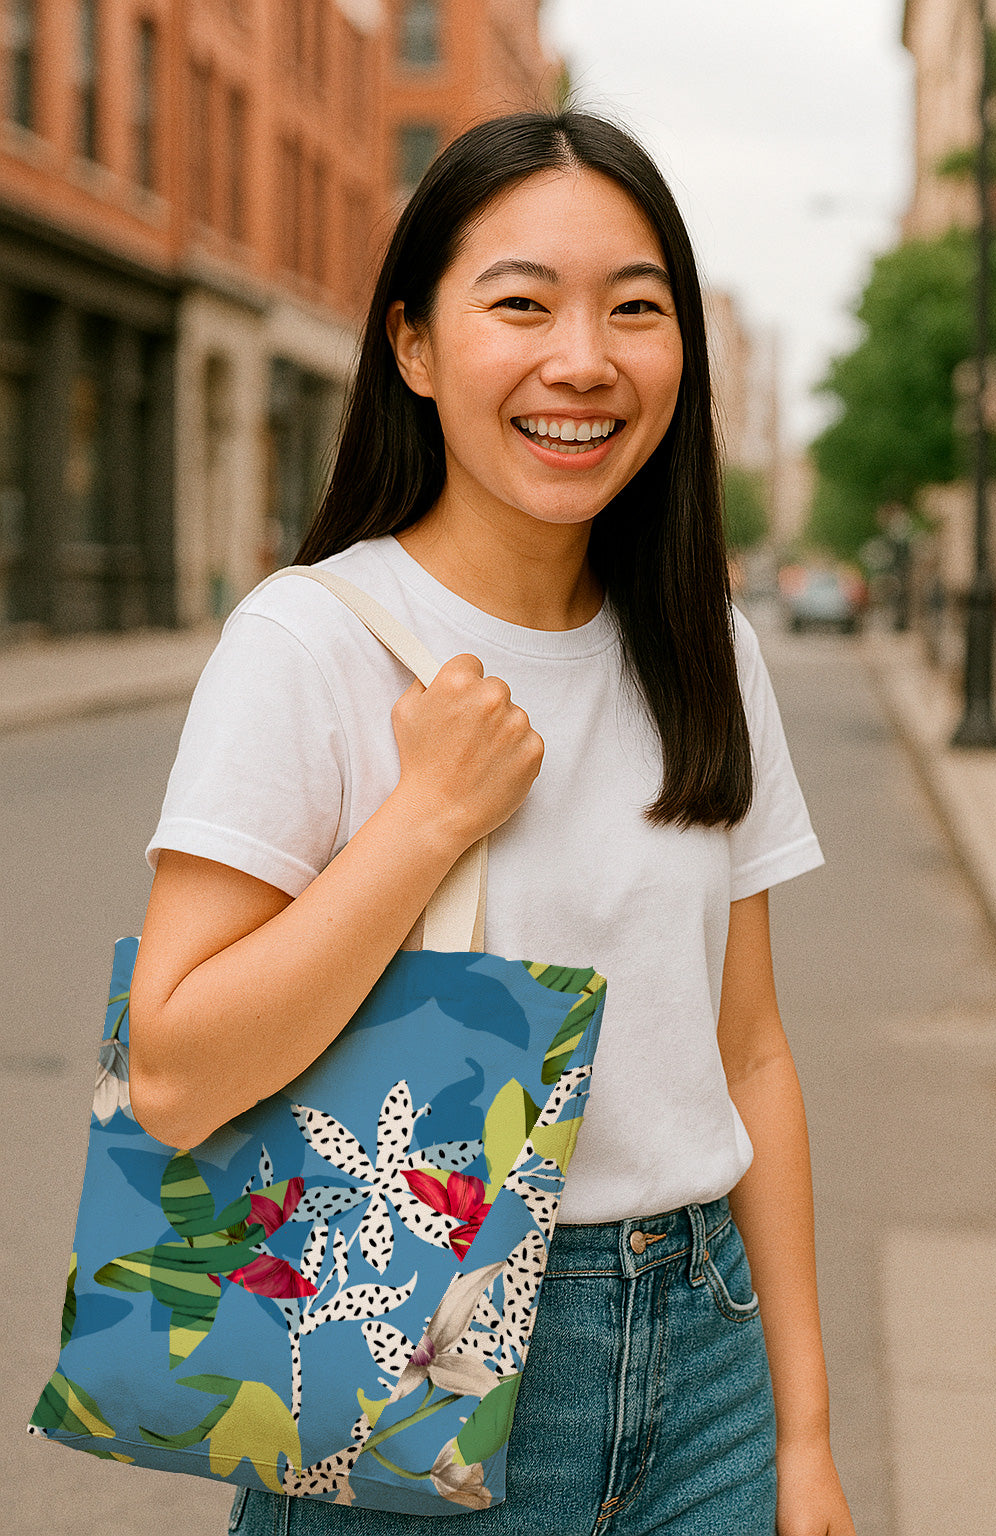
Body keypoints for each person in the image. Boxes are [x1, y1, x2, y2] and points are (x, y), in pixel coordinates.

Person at [129, 110, 855, 1536]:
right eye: (521, 304)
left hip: (704, 1358)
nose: (582, 360)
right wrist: (424, 821)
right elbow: (173, 1071)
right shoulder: (311, 640)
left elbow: (752, 1052)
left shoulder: (704, 645)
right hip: (405, 1331)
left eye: (635, 309)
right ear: (413, 345)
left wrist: (805, 1433)